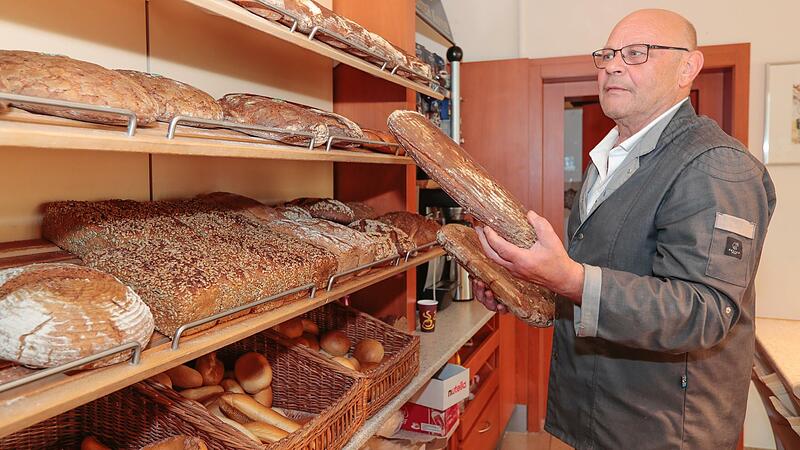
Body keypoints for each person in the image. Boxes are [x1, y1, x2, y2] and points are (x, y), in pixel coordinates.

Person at [472, 9, 776, 449]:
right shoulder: (610, 160)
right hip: (600, 416)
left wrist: (569, 278)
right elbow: (606, 271)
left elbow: (703, 310)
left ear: (687, 67)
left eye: (637, 53)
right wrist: (524, 285)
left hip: (663, 430)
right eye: (608, 54)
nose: (613, 65)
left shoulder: (716, 166)